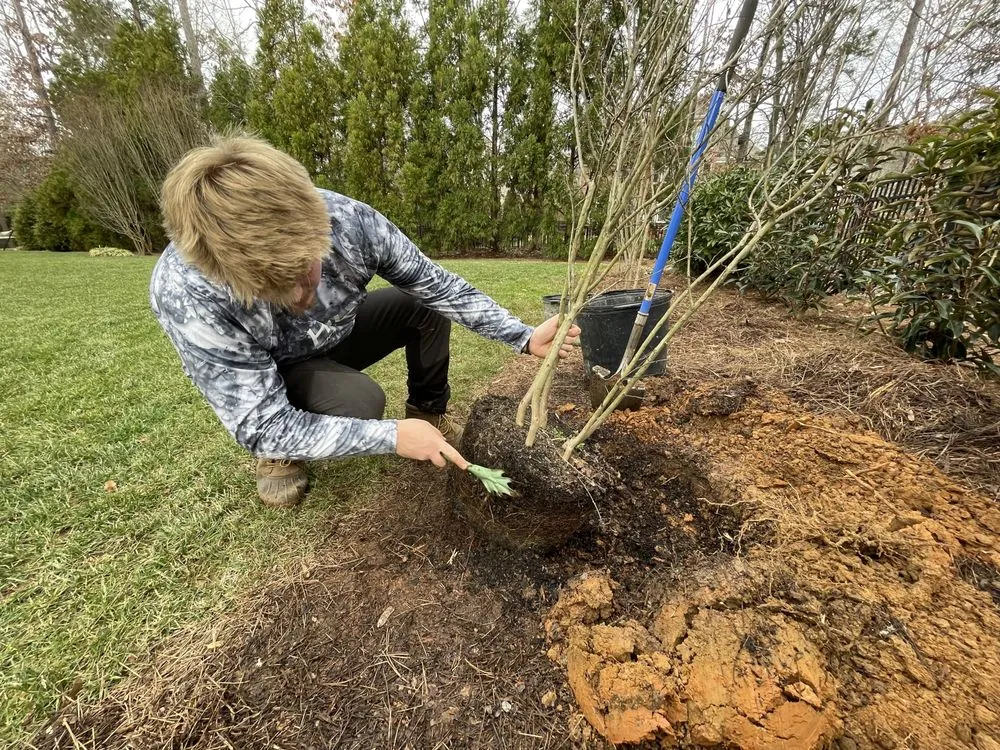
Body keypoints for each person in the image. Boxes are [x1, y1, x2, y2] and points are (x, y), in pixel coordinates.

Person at [150, 135, 579, 508]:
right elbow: (258, 422)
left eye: (304, 273)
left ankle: (427, 417)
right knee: (360, 404)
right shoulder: (187, 290)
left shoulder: (350, 221)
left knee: (421, 303)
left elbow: (438, 285)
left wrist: (522, 336)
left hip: (340, 330)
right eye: (274, 291)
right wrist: (390, 436)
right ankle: (284, 453)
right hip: (277, 368)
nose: (301, 298)